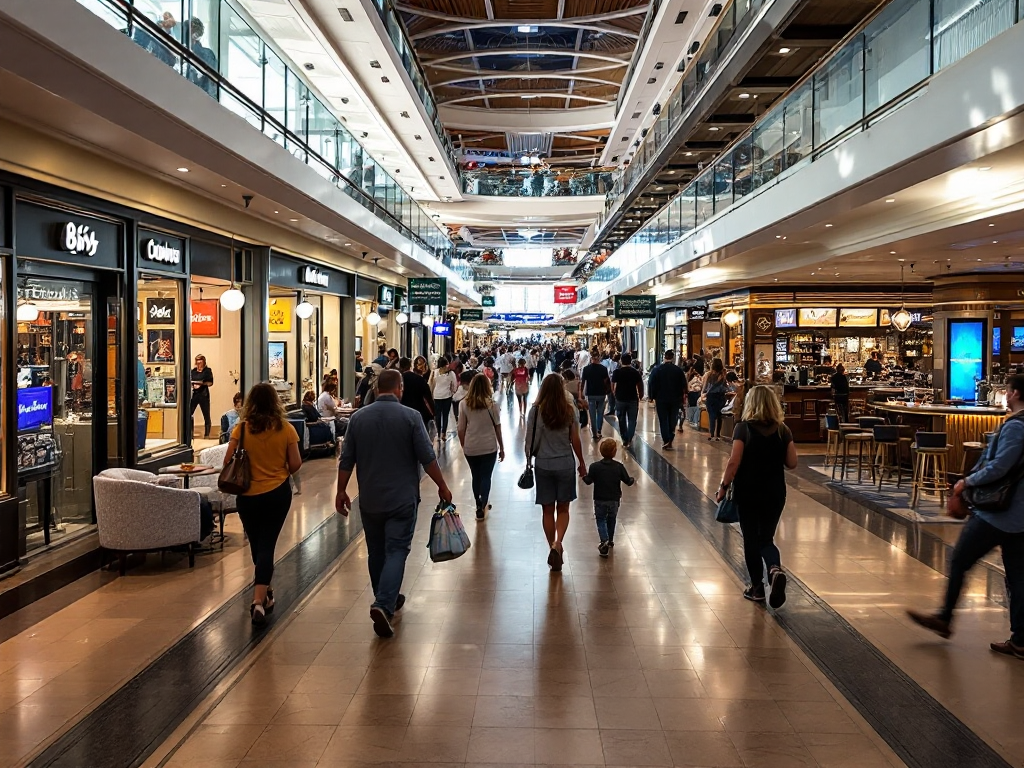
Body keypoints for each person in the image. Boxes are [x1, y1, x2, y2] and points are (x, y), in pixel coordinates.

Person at [906, 374, 1024, 655]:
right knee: (1018, 577)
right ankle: (1020, 639)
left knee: (960, 560)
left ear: (1016, 393)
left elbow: (1000, 466)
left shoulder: (1017, 427)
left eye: (1008, 392)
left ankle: (944, 617)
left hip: (998, 512)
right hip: (1018, 514)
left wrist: (966, 482)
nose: (1005, 396)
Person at [336, 369, 453, 638]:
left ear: (376, 389)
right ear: (399, 388)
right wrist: (442, 486)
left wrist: (341, 490)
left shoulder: (358, 418)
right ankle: (384, 603)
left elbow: (347, 459)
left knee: (376, 551)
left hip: (370, 499)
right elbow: (427, 457)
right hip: (402, 498)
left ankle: (385, 597)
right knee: (397, 550)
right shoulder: (411, 417)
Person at [225, 383, 302, 627]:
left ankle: (264, 593)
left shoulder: (242, 430)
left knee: (258, 545)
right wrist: (279, 471)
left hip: (247, 495)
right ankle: (259, 600)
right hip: (277, 493)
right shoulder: (286, 429)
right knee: (267, 544)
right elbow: (296, 463)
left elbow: (228, 460)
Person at [715, 385, 797, 608]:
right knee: (766, 538)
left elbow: (734, 461)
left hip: (748, 491)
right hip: (775, 492)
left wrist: (723, 486)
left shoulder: (743, 429)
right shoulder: (783, 430)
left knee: (751, 539)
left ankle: (757, 587)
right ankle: (774, 568)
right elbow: (792, 463)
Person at [526, 375, 587, 572]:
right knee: (563, 509)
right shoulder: (569, 410)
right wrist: (582, 462)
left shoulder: (536, 411)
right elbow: (575, 439)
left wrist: (529, 459)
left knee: (546, 510)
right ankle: (558, 543)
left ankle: (551, 544)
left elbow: (530, 439)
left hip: (543, 464)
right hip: (565, 464)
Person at [458, 374, 505, 520]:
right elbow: (497, 427)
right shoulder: (493, 404)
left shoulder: (464, 404)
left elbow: (461, 428)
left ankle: (478, 503)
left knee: (475, 476)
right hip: (488, 446)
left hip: (471, 446)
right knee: (486, 476)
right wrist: (502, 448)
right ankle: (483, 503)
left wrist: (464, 445)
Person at [583, 438, 635, 557]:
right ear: (614, 452)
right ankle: (610, 540)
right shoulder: (618, 467)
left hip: (600, 499)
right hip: (614, 499)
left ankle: (604, 540)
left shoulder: (595, 467)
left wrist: (583, 475)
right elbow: (627, 481)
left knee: (600, 519)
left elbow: (588, 481)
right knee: (612, 519)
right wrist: (633, 480)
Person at [648, 350, 687, 450]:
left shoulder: (657, 369)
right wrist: (684, 397)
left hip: (661, 398)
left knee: (663, 419)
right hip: (675, 399)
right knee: (672, 418)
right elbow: (684, 385)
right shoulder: (678, 370)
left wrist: (651, 396)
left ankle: (666, 439)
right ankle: (670, 436)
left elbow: (651, 383)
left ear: (664, 357)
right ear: (673, 358)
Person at [611, 353, 644, 448]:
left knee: (621, 419)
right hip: (632, 398)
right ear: (630, 361)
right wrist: (640, 395)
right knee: (632, 420)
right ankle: (630, 437)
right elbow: (639, 384)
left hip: (620, 398)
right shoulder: (635, 372)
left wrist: (614, 393)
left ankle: (624, 438)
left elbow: (612, 384)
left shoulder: (617, 372)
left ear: (621, 361)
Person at [580, 351, 611, 441]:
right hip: (601, 393)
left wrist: (581, 393)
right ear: (599, 358)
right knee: (600, 412)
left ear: (591, 358)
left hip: (590, 393)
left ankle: (594, 433)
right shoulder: (603, 369)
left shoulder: (586, 369)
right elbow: (606, 382)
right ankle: (599, 430)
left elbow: (582, 383)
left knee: (592, 414)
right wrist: (608, 391)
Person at [429, 357, 457, 440]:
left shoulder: (435, 372)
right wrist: (452, 392)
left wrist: (431, 394)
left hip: (437, 396)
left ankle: (438, 434)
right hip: (447, 396)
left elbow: (431, 383)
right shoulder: (451, 373)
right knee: (445, 415)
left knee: (438, 415)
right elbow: (454, 385)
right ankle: (443, 433)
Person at [702, 358, 728, 441]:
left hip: (711, 397)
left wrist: (703, 393)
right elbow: (725, 387)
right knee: (719, 416)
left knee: (711, 416)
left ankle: (711, 434)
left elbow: (705, 386)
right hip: (720, 397)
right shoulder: (723, 375)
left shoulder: (708, 374)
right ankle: (718, 435)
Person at [190, 354, 214, 438]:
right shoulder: (193, 371)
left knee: (206, 414)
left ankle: (207, 434)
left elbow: (210, 383)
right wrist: (193, 384)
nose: (199, 363)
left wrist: (201, 383)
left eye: (200, 361)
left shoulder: (207, 371)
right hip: (195, 394)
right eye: (197, 361)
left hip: (204, 394)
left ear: (203, 361)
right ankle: (190, 433)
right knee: (190, 413)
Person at [602, 353, 619, 417]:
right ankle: (612, 408)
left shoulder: (604, 362)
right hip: (612, 380)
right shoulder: (614, 363)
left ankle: (611, 409)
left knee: (610, 395)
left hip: (608, 380)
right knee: (611, 395)